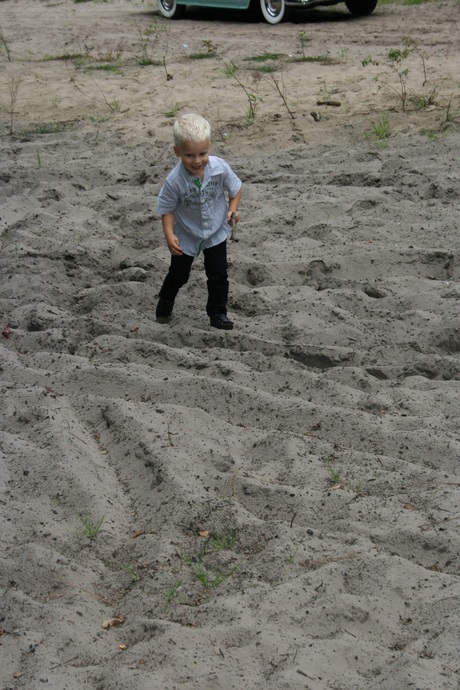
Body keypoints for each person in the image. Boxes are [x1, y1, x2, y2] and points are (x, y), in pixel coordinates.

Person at [156, 113, 242, 330]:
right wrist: (169, 235)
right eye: (189, 155)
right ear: (177, 152)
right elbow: (167, 209)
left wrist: (232, 210)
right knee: (179, 274)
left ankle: (217, 313)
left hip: (215, 231)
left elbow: (236, 189)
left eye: (202, 154)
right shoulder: (174, 181)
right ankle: (166, 300)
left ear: (209, 147)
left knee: (218, 275)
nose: (196, 161)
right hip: (186, 234)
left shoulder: (219, 168)